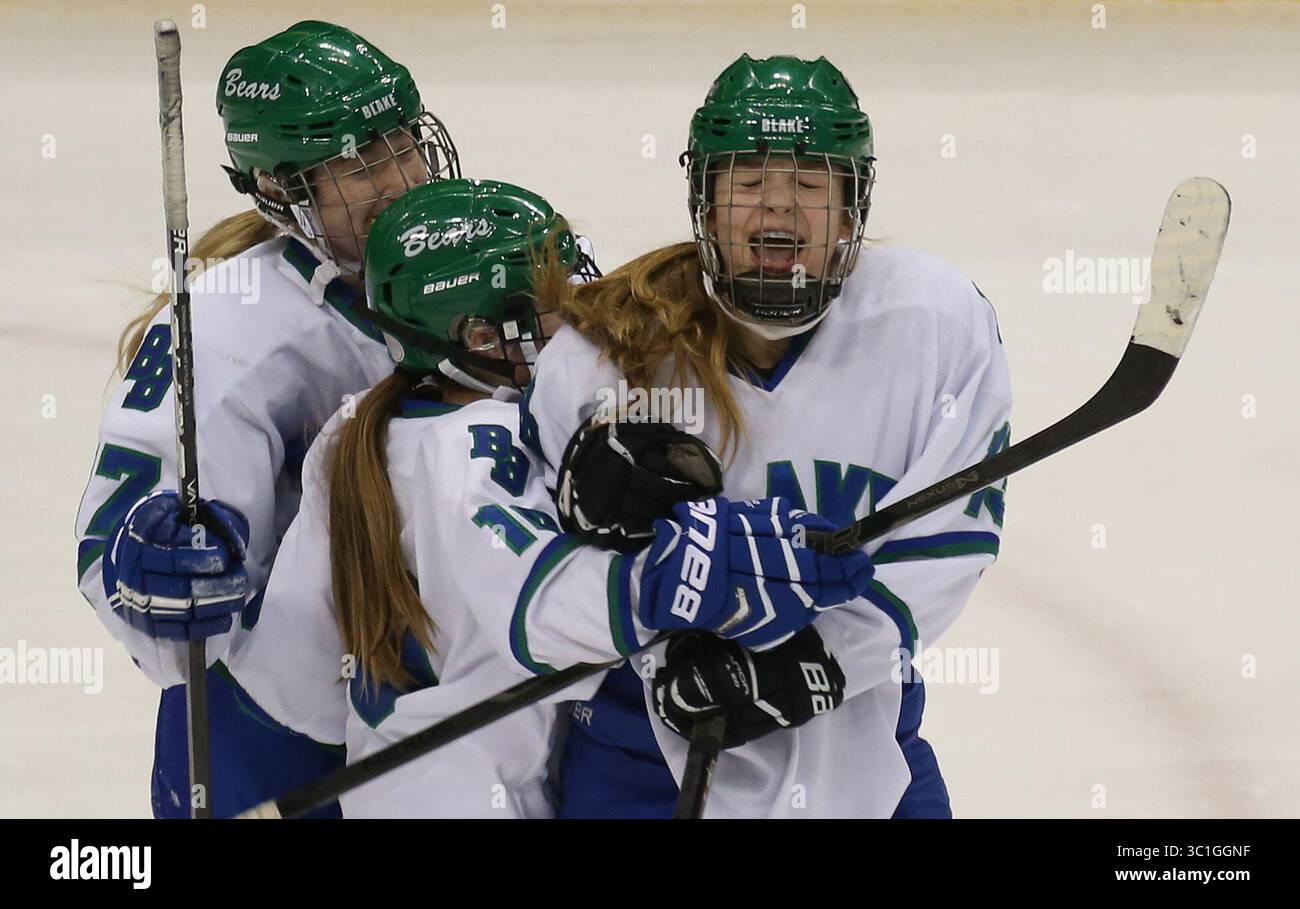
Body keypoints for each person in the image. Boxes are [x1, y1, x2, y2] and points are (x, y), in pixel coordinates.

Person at [217, 178, 874, 816]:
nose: (584, 317)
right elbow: (540, 603)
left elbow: (295, 681)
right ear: (479, 337)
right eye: (553, 308)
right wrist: (673, 578)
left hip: (389, 791)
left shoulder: (355, 432)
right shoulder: (481, 444)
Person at [522, 53, 1014, 818]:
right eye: (747, 184)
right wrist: (654, 613)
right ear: (706, 205)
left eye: (810, 186)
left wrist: (815, 664)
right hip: (646, 759)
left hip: (863, 754)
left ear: (852, 213)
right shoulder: (605, 357)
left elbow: (947, 545)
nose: (777, 211)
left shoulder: (934, 324)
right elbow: (529, 584)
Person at [74, 20, 459, 818]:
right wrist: (148, 570)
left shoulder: (486, 253)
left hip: (454, 703)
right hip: (274, 728)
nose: (399, 178)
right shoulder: (228, 331)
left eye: (400, 141)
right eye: (356, 163)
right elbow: (115, 536)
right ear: (283, 190)